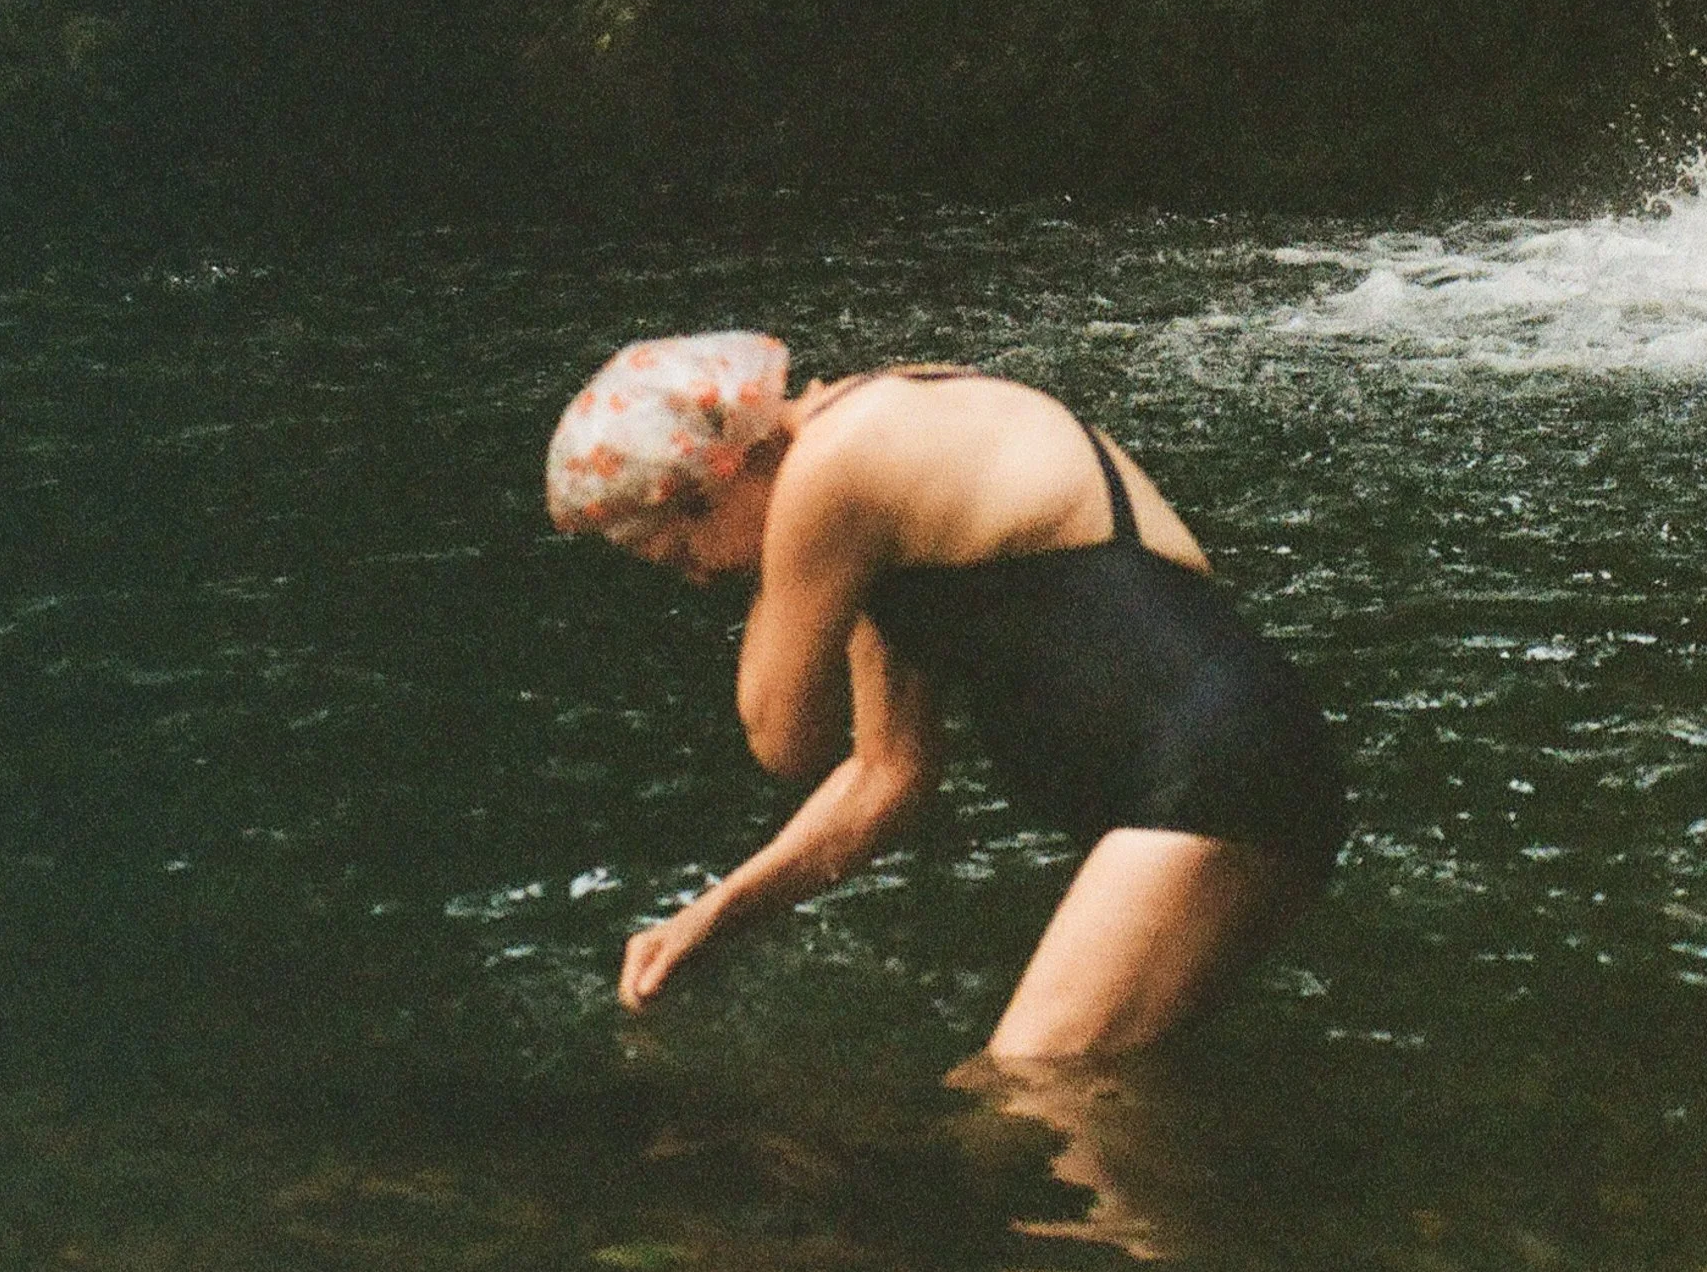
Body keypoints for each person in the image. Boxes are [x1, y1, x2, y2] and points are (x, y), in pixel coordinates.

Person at [545, 332, 1345, 1064]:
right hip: (1246, 765)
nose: (696, 576)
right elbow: (885, 775)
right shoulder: (869, 479)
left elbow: (782, 740)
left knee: (1026, 1104)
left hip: (1209, 780)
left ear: (717, 475)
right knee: (1086, 1108)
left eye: (679, 548)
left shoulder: (835, 467)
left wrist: (777, 578)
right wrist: (712, 915)